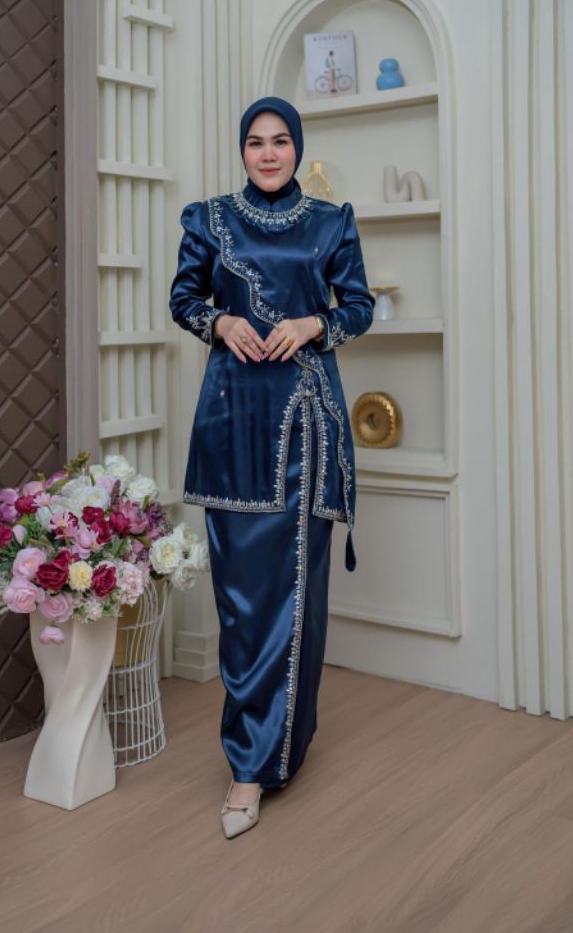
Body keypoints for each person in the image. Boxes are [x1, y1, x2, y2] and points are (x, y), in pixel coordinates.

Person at [168, 95, 375, 838]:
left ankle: (257, 766)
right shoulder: (209, 218)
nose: (267, 153)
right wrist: (221, 320)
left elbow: (359, 306)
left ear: (297, 148)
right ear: (242, 150)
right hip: (232, 425)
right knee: (241, 602)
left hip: (303, 429)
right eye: (255, 142)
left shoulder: (330, 222)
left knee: (293, 596)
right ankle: (252, 751)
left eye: (280, 141)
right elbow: (183, 298)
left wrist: (315, 322)